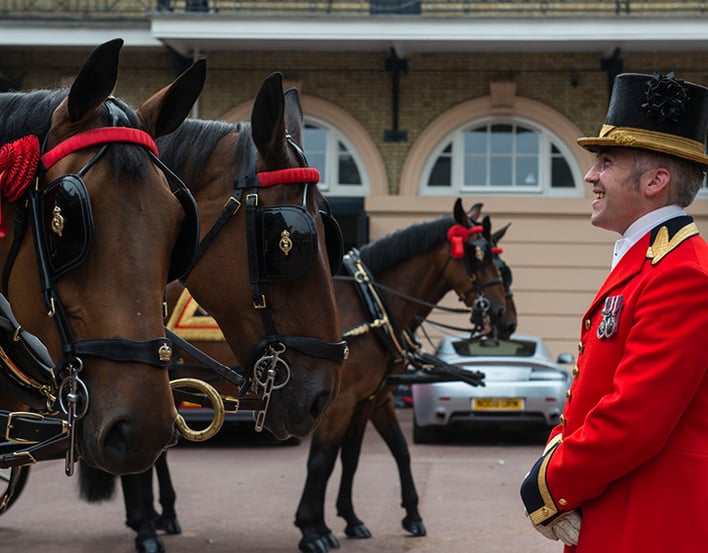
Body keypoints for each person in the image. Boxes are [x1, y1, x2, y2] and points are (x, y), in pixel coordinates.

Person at [520, 71, 708, 552]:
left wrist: (546, 486)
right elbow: (588, 393)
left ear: (655, 181)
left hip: (650, 521)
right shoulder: (652, 260)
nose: (590, 176)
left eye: (605, 162)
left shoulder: (682, 273)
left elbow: (633, 420)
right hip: (617, 508)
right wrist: (554, 461)